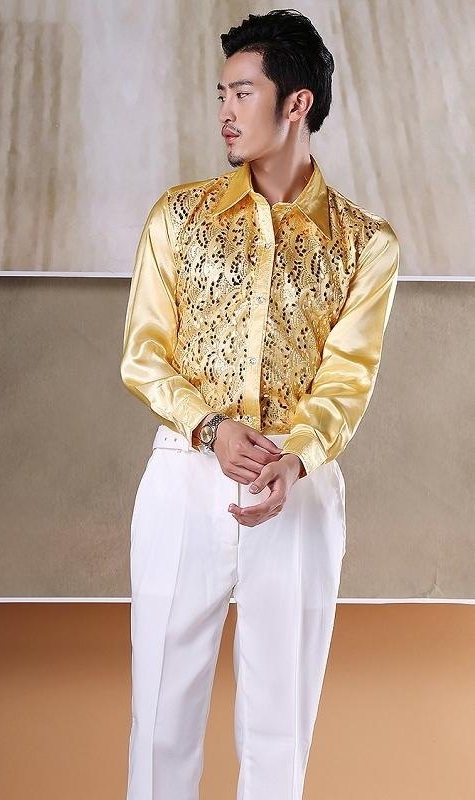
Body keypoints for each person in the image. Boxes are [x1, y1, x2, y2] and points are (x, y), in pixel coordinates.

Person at [120, 9, 399, 799]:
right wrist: (209, 428)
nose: (225, 111)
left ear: (295, 103)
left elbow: (347, 380)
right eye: (221, 93)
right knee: (160, 720)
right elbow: (144, 356)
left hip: (298, 487)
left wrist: (296, 456)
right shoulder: (177, 218)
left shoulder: (365, 243)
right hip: (184, 475)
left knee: (280, 728)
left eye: (242, 92)